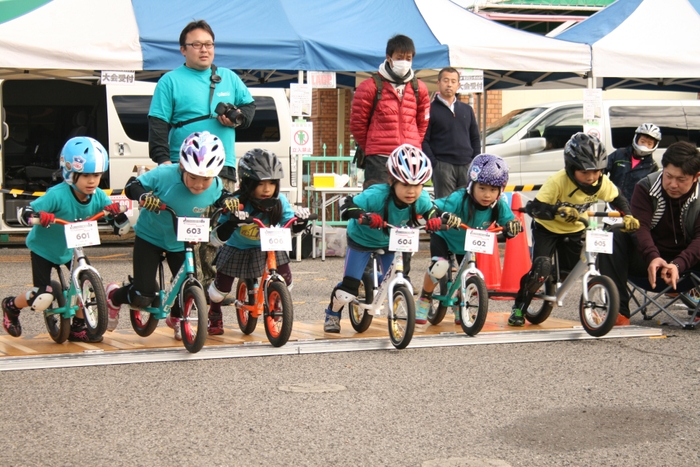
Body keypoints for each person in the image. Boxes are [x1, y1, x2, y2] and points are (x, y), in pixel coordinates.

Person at [148, 19, 256, 298]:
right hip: (183, 168)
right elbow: (158, 123)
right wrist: (163, 161)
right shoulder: (170, 81)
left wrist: (238, 118)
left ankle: (210, 301)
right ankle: (188, 299)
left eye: (208, 44)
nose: (204, 50)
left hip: (223, 169)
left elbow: (249, 108)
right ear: (183, 50)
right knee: (187, 237)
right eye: (196, 45)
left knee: (218, 236)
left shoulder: (229, 78)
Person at [105, 131, 237, 340]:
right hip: (151, 237)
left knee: (188, 287)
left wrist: (229, 201)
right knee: (143, 296)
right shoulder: (165, 174)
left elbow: (223, 196)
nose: (199, 184)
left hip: (181, 241)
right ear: (182, 167)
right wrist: (144, 196)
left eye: (206, 179)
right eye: (193, 177)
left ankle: (177, 318)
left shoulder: (216, 185)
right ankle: (113, 296)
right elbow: (132, 185)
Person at [323, 144, 461, 333]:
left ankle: (374, 282)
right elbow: (345, 205)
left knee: (396, 277)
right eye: (405, 185)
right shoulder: (376, 195)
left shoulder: (420, 200)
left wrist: (436, 221)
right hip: (362, 240)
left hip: (390, 241)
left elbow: (432, 211)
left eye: (417, 185)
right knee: (349, 290)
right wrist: (364, 216)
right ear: (391, 181)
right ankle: (333, 312)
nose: (411, 191)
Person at [2, 137, 129, 342]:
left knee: (85, 284)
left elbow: (116, 217)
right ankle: (11, 306)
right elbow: (28, 211)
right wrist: (32, 215)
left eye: (96, 175)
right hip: (44, 248)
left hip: (71, 248)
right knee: (42, 298)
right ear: (70, 173)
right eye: (86, 175)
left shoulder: (97, 196)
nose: (92, 181)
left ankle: (78, 326)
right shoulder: (57, 195)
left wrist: (118, 217)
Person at [507, 132, 640, 327]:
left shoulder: (600, 182)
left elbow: (617, 198)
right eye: (585, 172)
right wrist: (557, 210)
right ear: (571, 167)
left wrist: (627, 215)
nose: (591, 177)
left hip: (576, 229)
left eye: (596, 171)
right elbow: (533, 208)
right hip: (547, 229)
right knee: (540, 269)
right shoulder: (557, 181)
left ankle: (551, 277)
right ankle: (519, 307)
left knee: (569, 272)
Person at [206, 149, 311, 335]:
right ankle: (214, 312)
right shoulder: (236, 202)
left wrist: (300, 222)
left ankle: (278, 300)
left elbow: (289, 225)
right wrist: (232, 222)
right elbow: (216, 237)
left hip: (269, 245)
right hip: (238, 247)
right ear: (247, 184)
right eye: (261, 183)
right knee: (221, 288)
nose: (267, 189)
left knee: (286, 278)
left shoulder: (279, 201)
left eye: (272, 183)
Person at [599, 141, 700, 325]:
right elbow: (640, 227)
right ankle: (618, 312)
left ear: (696, 177)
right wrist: (653, 257)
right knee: (613, 233)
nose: (673, 184)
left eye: (681, 179)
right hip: (647, 261)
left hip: (689, 266)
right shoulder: (645, 187)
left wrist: (677, 265)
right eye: (668, 176)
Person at [415, 154, 522, 325]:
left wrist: (513, 226)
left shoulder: (498, 205)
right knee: (440, 266)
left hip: (467, 243)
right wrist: (444, 217)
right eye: (482, 188)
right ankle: (425, 298)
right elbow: (434, 206)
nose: (487, 195)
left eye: (493, 190)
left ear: (500, 191)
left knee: (469, 272)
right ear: (471, 185)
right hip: (445, 237)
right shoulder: (459, 198)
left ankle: (460, 302)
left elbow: (509, 220)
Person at [350, 34, 430, 189]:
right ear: (389, 57)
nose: (404, 62)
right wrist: (372, 147)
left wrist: (413, 144)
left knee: (408, 205)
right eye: (400, 57)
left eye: (408, 58)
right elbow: (357, 125)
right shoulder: (369, 87)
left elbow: (423, 122)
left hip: (409, 158)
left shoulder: (419, 88)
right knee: (376, 201)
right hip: (379, 158)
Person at [422, 67, 481, 199]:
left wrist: (475, 161)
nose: (449, 84)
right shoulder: (430, 110)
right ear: (438, 83)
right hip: (443, 166)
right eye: (446, 80)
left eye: (453, 81)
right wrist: (434, 164)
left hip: (467, 165)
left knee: (467, 204)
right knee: (445, 206)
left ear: (458, 85)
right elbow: (424, 140)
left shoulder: (467, 109)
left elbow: (475, 138)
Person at [605, 123, 662, 201]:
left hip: (635, 208)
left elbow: (655, 191)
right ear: (636, 139)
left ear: (654, 146)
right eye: (642, 141)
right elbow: (601, 169)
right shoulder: (619, 154)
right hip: (613, 204)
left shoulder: (652, 167)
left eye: (649, 144)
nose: (645, 146)